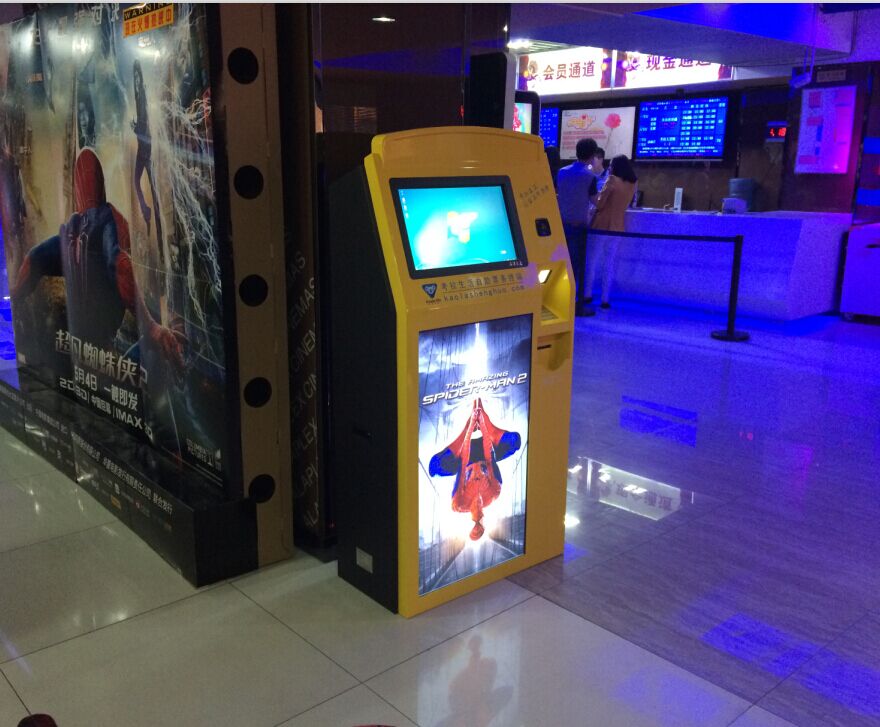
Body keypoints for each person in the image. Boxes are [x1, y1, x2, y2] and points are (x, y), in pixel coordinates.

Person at [12, 149, 185, 373]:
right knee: (151, 355)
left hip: (77, 351)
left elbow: (33, 259)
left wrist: (15, 297)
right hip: (104, 355)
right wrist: (151, 327)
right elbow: (120, 265)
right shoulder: (106, 220)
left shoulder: (71, 229)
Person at [429, 398, 521, 542]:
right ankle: (483, 416)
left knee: (435, 467)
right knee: (514, 441)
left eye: (475, 524)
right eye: (481, 524)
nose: (478, 519)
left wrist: (470, 425)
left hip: (466, 457)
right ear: (484, 518)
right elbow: (490, 457)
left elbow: (462, 463)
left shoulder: (458, 504)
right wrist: (482, 422)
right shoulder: (494, 493)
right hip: (484, 453)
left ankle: (470, 424)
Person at [556, 138, 603, 313]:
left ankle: (560, 301)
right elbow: (597, 201)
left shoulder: (562, 172)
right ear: (592, 155)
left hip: (561, 225)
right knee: (577, 266)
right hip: (579, 227)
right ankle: (576, 305)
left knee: (562, 264)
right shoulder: (590, 176)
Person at [586, 154, 638, 309]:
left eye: (611, 165)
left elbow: (600, 203)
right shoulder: (632, 183)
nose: (609, 168)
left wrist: (592, 198)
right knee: (609, 263)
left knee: (592, 260)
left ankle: (587, 294)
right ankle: (605, 298)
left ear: (614, 167)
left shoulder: (612, 180)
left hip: (601, 226)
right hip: (617, 227)